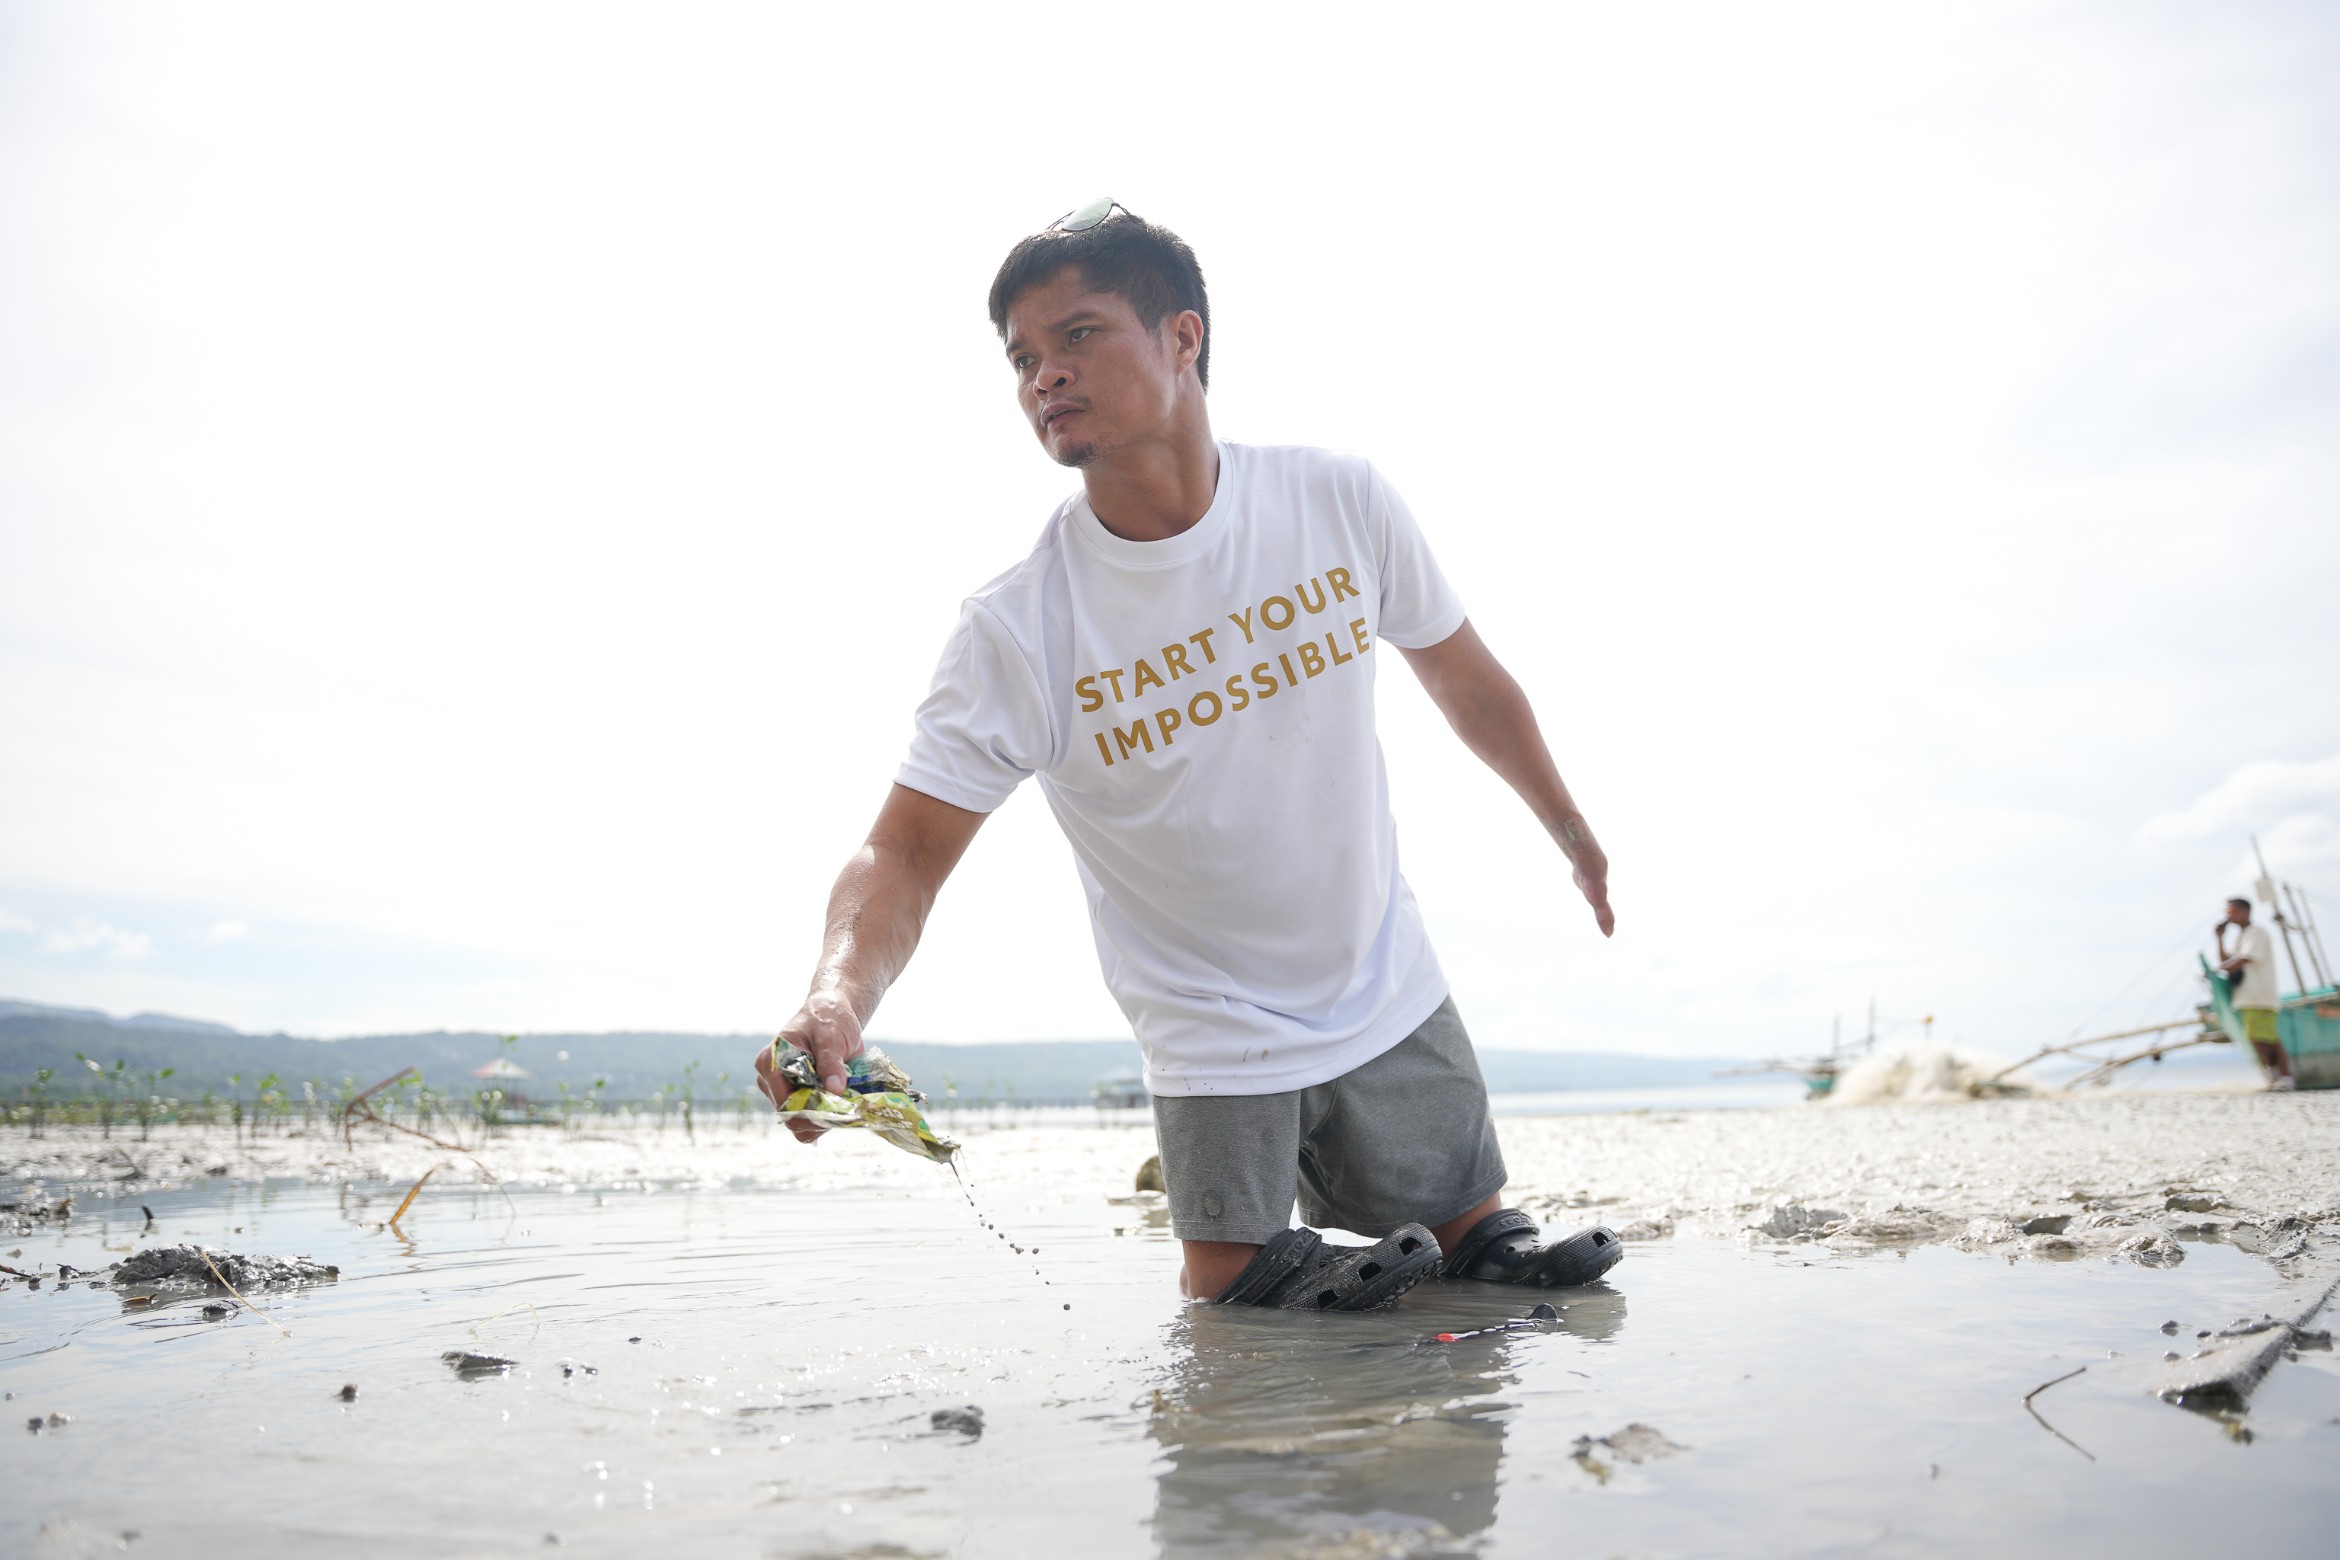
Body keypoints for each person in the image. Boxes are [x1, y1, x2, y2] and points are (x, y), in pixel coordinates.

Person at [753, 201, 1622, 1309]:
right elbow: (907, 850)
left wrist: (1568, 827)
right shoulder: (1017, 629)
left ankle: (1470, 1268)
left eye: (1077, 335)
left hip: (1381, 976)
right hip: (1210, 1029)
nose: (1044, 376)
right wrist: (836, 994)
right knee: (1240, 1290)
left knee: (1479, 1246)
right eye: (1022, 357)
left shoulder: (1336, 500)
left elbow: (1468, 683)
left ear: (1183, 338)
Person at [2217, 897, 2294, 1091]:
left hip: (2261, 995)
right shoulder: (2241, 936)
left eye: (2232, 912)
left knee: (2269, 1037)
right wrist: (2219, 938)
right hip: (2246, 996)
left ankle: (2285, 1077)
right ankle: (2274, 1076)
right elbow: (2227, 960)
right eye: (2228, 912)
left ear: (2246, 911)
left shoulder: (2257, 933)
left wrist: (2219, 969)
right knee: (2257, 1038)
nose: (2229, 916)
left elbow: (2244, 959)